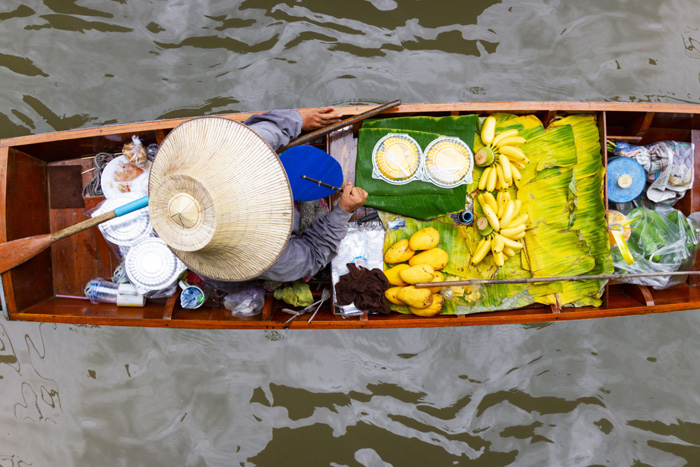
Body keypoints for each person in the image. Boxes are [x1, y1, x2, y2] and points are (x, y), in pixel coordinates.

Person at [229, 106, 369, 283]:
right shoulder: (265, 255)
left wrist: (299, 119)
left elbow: (256, 135)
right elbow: (314, 254)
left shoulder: (229, 155)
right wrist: (343, 211)